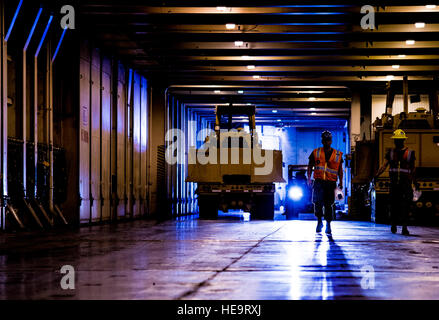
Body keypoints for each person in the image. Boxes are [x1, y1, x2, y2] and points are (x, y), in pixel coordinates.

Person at [374, 129, 416, 235]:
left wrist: (414, 182)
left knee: (405, 206)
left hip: (405, 184)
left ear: (402, 141)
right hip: (394, 184)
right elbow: (384, 165)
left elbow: (413, 169)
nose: (397, 142)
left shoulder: (410, 153)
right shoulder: (391, 153)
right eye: (396, 140)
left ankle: (404, 227)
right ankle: (394, 224)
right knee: (394, 205)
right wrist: (377, 175)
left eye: (399, 140)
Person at [307, 131, 344, 235]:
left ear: (331, 141)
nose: (327, 142)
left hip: (330, 183)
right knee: (318, 203)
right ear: (322, 141)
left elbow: (340, 170)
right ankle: (319, 222)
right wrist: (309, 178)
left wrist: (341, 181)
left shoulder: (337, 154)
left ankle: (328, 224)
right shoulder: (316, 152)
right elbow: (310, 166)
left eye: (328, 140)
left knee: (328, 204)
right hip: (319, 182)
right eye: (325, 140)